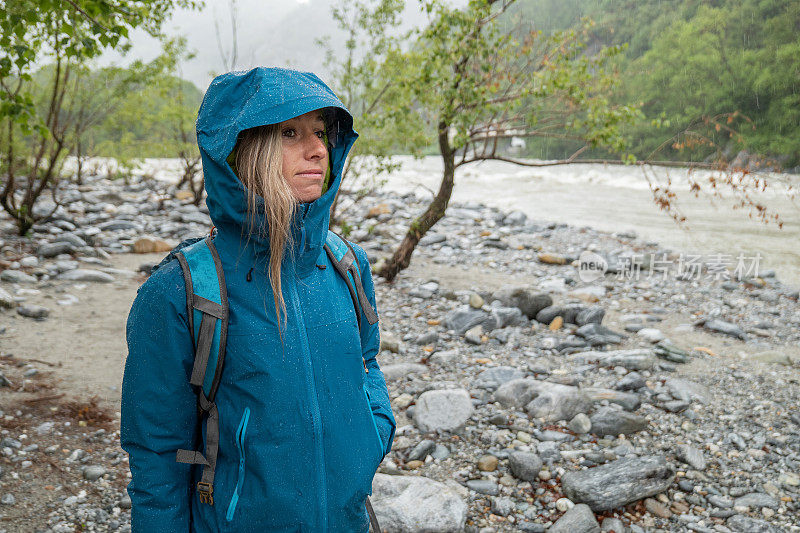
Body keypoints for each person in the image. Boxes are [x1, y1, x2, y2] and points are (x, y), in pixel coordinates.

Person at [120, 67, 396, 532]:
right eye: (290, 133)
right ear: (244, 151)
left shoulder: (346, 263)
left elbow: (367, 360)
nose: (316, 150)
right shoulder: (182, 290)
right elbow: (157, 454)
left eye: (320, 132)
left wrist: (373, 432)